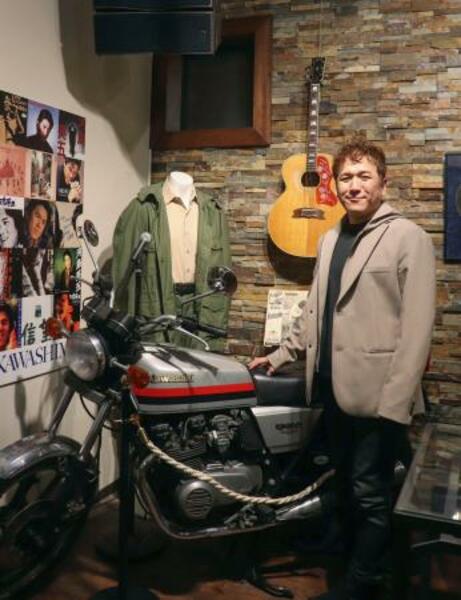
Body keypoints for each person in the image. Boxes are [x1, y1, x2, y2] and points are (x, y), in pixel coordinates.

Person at [249, 138, 436, 600]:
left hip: (377, 394)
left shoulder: (408, 237)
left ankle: (363, 582)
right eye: (346, 177)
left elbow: (417, 331)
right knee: (344, 479)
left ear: (383, 183)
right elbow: (315, 311)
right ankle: (346, 551)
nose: (354, 186)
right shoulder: (331, 237)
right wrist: (279, 356)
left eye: (364, 176)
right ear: (335, 186)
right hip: (331, 386)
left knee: (370, 491)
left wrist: (395, 404)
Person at [112, 171, 231, 350]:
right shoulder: (144, 207)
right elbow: (124, 270)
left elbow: (223, 269)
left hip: (199, 301)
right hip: (158, 302)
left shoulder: (212, 211)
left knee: (199, 361)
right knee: (160, 361)